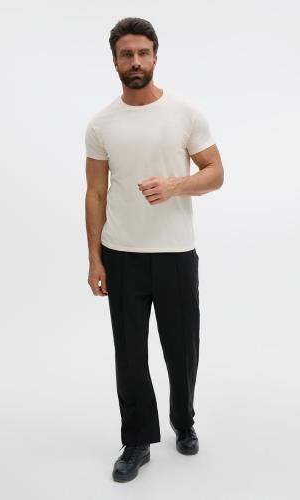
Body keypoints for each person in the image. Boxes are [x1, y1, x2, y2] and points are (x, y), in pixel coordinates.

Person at [84, 17, 224, 483]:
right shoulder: (101, 124)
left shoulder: (185, 114)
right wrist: (95, 258)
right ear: (115, 62)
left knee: (182, 349)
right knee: (129, 354)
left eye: (143, 53)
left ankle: (183, 421)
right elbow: (95, 193)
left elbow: (216, 172)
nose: (136, 61)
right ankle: (137, 440)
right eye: (127, 54)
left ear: (155, 57)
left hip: (175, 253)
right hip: (121, 254)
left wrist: (174, 185)